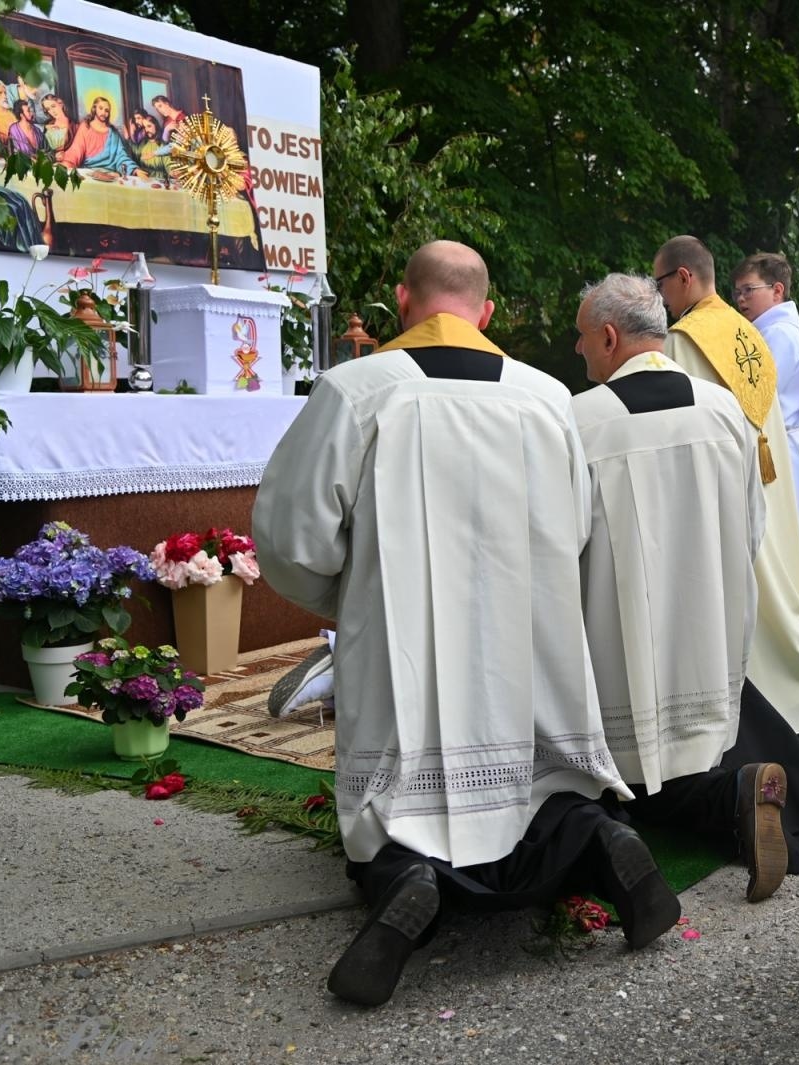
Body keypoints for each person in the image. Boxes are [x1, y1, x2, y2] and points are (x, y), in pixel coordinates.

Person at [253, 241, 680, 1008]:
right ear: (485, 313)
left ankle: (406, 876)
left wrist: (354, 600)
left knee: (399, 808)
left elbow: (292, 539)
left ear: (402, 299)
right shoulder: (546, 397)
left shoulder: (356, 389)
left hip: (406, 645)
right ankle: (599, 839)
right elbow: (577, 527)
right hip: (528, 641)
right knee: (547, 788)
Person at [570, 273, 799, 903]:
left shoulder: (581, 420)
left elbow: (563, 546)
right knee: (700, 746)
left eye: (582, 337)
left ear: (609, 337)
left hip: (621, 650)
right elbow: (752, 527)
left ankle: (717, 800)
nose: (578, 350)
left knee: (623, 785)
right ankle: (736, 787)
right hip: (711, 643)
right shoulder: (724, 409)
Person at [652, 235, 799, 739]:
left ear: (684, 277)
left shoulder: (685, 341)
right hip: (770, 473)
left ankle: (787, 699)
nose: (660, 297)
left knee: (755, 589)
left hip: (733, 482)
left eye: (661, 283)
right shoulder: (744, 331)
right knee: (781, 584)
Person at [732, 252, 799, 621]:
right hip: (776, 445)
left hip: (779, 448)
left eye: (748, 290)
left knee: (788, 544)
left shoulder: (778, 335)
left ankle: (798, 623)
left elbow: (757, 399)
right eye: (737, 292)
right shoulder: (766, 333)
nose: (740, 299)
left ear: (777, 291)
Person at [57, 96, 143, 176]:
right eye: (101, 108)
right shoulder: (85, 127)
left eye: (107, 110)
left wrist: (134, 170)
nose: (103, 113)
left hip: (111, 175)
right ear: (95, 109)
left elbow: (121, 156)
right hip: (89, 173)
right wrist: (66, 164)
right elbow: (76, 150)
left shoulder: (113, 133)